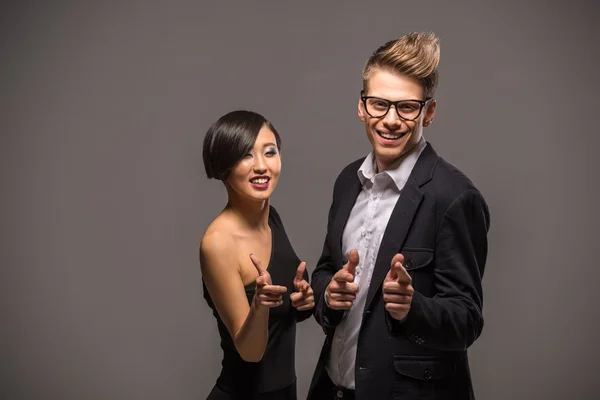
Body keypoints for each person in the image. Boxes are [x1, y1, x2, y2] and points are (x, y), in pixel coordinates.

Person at [307, 32, 491, 400]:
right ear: (361, 106)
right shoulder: (347, 182)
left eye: (406, 107)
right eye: (378, 104)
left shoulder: (455, 197)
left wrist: (413, 308)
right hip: (333, 389)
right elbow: (326, 268)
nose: (390, 120)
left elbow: (467, 319)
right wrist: (329, 293)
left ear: (429, 112)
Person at [200, 110, 314, 400]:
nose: (262, 166)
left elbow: (284, 315)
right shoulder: (218, 243)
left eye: (270, 152)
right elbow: (250, 352)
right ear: (224, 165)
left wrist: (304, 301)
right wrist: (260, 306)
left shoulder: (271, 217)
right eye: (246, 156)